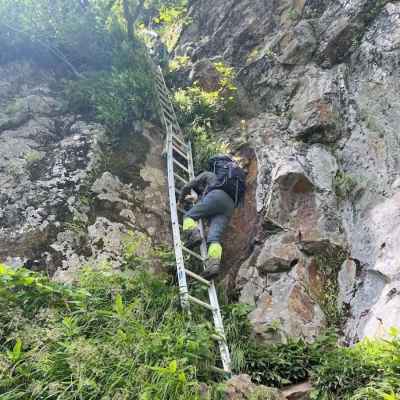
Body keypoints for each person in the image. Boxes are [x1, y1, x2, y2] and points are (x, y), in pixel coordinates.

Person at [178, 154, 246, 279]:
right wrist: (198, 199)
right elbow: (207, 202)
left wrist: (181, 199)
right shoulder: (232, 182)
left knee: (189, 217)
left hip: (216, 197)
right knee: (214, 238)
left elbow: (188, 186)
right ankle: (213, 266)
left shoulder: (210, 175)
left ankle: (194, 235)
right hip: (229, 206)